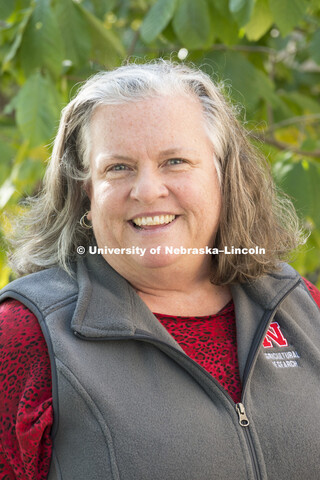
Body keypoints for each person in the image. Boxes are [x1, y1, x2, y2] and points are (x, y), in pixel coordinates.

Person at [0, 60, 320, 480]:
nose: (149, 190)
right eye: (118, 167)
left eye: (175, 161)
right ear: (87, 191)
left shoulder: (302, 306)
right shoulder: (24, 334)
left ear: (224, 174)